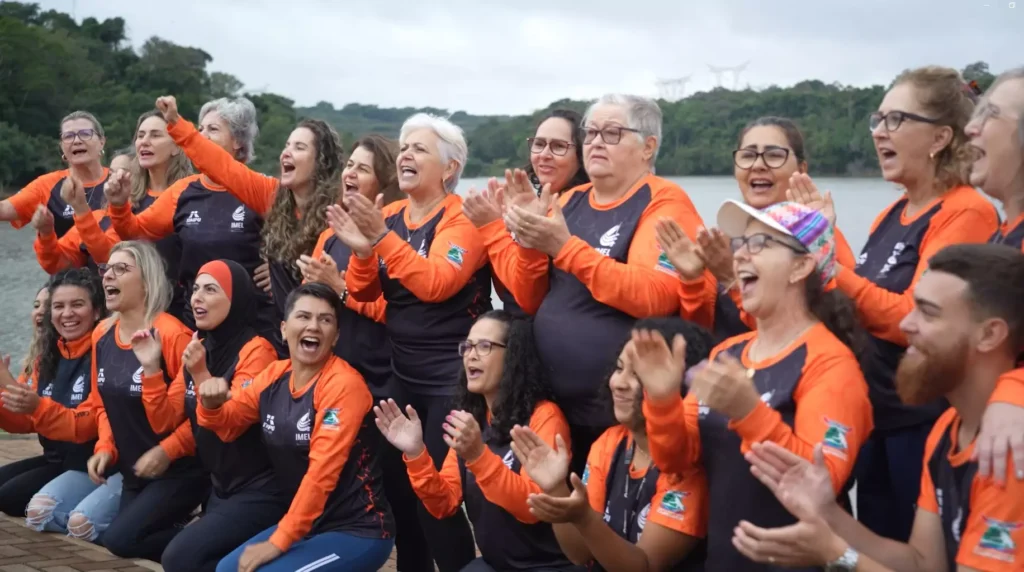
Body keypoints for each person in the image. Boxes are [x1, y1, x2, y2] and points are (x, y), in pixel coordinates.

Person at [787, 66, 999, 543]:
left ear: (941, 137)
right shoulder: (893, 211)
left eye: (896, 119)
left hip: (921, 423)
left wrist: (824, 260)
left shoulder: (966, 210)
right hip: (877, 415)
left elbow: (912, 317)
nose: (879, 131)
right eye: (877, 119)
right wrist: (825, 236)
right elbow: (860, 296)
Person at [736, 243, 1024, 571]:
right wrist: (827, 511)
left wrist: (837, 556)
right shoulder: (948, 426)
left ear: (989, 335)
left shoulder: (1009, 450)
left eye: (928, 313)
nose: (905, 324)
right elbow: (921, 563)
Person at [639, 200, 873, 571]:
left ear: (801, 265)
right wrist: (664, 401)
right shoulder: (728, 352)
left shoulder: (832, 364)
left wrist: (749, 413)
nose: (741, 254)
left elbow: (820, 487)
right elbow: (677, 462)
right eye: (741, 243)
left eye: (760, 243)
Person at [483, 94, 706, 478]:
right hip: (552, 406)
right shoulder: (569, 200)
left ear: (648, 146)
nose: (596, 142)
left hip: (620, 409)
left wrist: (564, 248)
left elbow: (655, 297)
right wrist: (529, 241)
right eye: (591, 133)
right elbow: (530, 298)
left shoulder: (663, 201)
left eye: (613, 132)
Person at [329, 112, 488, 571]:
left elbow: (437, 282)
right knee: (399, 490)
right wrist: (362, 251)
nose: (405, 155)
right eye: (403, 148)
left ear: (450, 167)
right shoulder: (391, 215)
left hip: (449, 379)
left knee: (437, 500)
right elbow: (362, 292)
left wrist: (379, 239)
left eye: (418, 149)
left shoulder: (461, 219)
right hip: (402, 372)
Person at [198, 282, 395, 572]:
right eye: (303, 317)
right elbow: (229, 423)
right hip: (308, 524)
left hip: (357, 530)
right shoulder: (274, 375)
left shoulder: (344, 385)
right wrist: (211, 404)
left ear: (336, 336)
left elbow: (321, 474)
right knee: (227, 569)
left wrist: (279, 540)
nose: (313, 326)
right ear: (283, 328)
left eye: (325, 320)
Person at [376, 310, 576, 571]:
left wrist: (479, 457)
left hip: (549, 566)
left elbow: (533, 509)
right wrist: (416, 454)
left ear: (514, 356)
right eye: (468, 346)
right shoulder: (475, 421)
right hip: (495, 565)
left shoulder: (544, 416)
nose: (471, 354)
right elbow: (443, 504)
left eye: (485, 346)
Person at [512, 317, 713, 572]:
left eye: (639, 374)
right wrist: (556, 489)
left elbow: (643, 566)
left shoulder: (689, 464)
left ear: (678, 383)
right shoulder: (610, 442)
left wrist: (584, 518)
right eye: (619, 369)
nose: (618, 382)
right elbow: (579, 554)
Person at [155, 95, 346, 356]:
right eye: (287, 145)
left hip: (330, 338)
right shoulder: (271, 195)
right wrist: (178, 125)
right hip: (282, 334)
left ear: (321, 161)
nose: (286, 152)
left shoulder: (339, 212)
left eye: (299, 147)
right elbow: (223, 167)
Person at [129, 259, 283, 572]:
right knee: (128, 539)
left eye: (210, 289)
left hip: (261, 489)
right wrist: (151, 368)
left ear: (235, 298)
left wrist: (199, 374)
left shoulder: (258, 351)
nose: (197, 297)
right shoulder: (200, 345)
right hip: (221, 486)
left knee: (180, 559)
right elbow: (165, 419)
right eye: (196, 288)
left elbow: (231, 427)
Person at [656, 117, 857, 342]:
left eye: (774, 155)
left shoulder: (822, 239)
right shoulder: (727, 237)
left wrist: (733, 279)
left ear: (801, 169)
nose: (758, 165)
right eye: (748, 155)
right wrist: (692, 280)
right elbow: (702, 337)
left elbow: (811, 337)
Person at [104, 99, 276, 341]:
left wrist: (279, 268)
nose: (202, 136)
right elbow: (134, 233)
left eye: (213, 130)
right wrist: (119, 205)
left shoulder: (260, 188)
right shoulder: (183, 190)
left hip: (255, 324)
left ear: (238, 142)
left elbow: (306, 233)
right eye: (200, 129)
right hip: (197, 323)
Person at [84, 240, 208, 560]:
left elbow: (196, 418)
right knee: (120, 541)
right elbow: (102, 405)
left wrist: (165, 452)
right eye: (106, 268)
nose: (108, 275)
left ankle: (208, 539)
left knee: (120, 541)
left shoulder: (172, 334)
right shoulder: (101, 334)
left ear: (148, 282)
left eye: (121, 269)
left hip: (180, 470)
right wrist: (105, 448)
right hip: (134, 471)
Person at [0, 269, 124, 542]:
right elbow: (26, 420)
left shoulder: (105, 349)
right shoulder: (49, 353)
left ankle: (117, 514)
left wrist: (37, 407)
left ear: (96, 311)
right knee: (5, 493)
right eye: (58, 306)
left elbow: (89, 423)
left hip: (99, 463)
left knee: (28, 506)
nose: (67, 313)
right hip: (59, 458)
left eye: (77, 304)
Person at [463, 109, 591, 317]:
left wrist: (492, 228)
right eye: (539, 144)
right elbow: (506, 288)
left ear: (581, 155)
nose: (544, 155)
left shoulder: (582, 209)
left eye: (558, 146)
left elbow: (527, 295)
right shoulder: (528, 202)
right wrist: (505, 226)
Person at [0, 111, 108, 238]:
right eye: (68, 136)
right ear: (62, 146)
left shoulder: (120, 181)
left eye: (85, 134)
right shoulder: (46, 185)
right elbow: (3, 209)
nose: (77, 141)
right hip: (61, 257)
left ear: (102, 141)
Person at [0, 286, 57, 515]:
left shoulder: (79, 355)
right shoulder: (38, 358)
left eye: (51, 305)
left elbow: (36, 413)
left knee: (9, 498)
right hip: (53, 456)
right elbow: (24, 423)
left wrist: (5, 381)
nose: (40, 312)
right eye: (36, 306)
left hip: (84, 460)